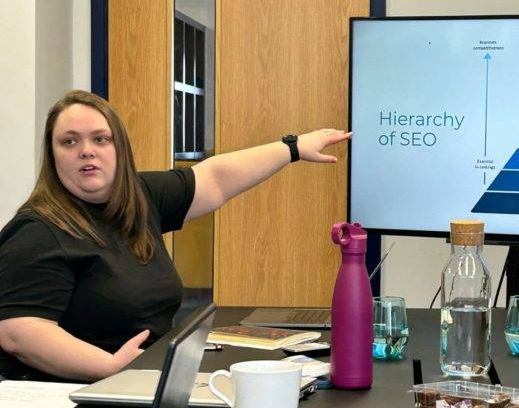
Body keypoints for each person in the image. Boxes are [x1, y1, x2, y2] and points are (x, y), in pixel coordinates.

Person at [0, 90, 350, 382]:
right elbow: (19, 332)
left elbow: (215, 178)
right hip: (69, 401)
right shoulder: (37, 230)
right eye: (69, 141)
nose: (86, 150)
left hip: (140, 382)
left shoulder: (138, 198)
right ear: (53, 156)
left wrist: (293, 148)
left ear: (119, 148)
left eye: (100, 138)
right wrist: (110, 367)